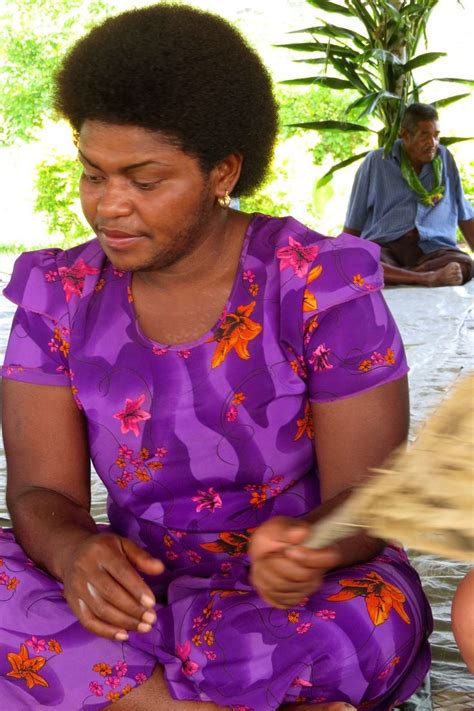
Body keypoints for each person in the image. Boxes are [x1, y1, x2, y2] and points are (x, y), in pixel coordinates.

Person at [0, 5, 432, 710]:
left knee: (365, 615)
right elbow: (39, 496)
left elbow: (374, 499)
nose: (108, 205)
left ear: (223, 171)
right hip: (140, 586)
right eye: (93, 173)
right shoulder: (60, 293)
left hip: (299, 591)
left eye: (144, 179)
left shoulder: (317, 282)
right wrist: (75, 553)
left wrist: (315, 545)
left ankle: (134, 695)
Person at [344, 103, 474, 287]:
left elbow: (463, 212)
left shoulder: (445, 158)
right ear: (404, 135)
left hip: (433, 249)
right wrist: (343, 255)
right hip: (387, 248)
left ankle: (397, 276)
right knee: (356, 261)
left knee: (465, 264)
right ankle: (425, 278)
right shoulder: (377, 161)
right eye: (425, 135)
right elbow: (354, 222)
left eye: (436, 135)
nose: (433, 143)